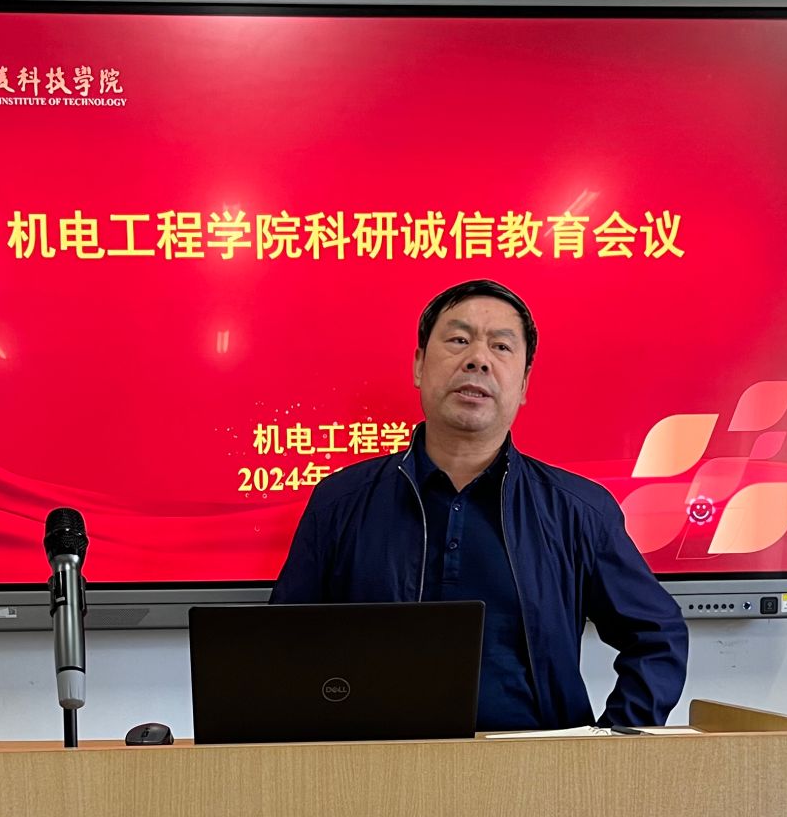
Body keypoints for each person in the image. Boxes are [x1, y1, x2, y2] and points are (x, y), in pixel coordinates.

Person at [269, 279, 688, 730]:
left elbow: (657, 636)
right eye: (458, 340)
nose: (478, 359)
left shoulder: (577, 510)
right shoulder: (341, 502)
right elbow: (281, 648)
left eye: (501, 347)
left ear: (523, 384)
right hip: (378, 764)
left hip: (535, 766)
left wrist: (606, 747)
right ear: (418, 366)